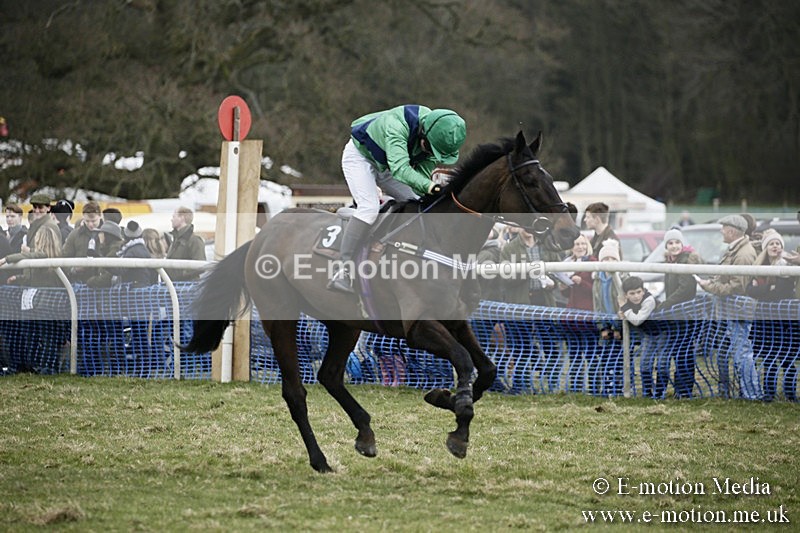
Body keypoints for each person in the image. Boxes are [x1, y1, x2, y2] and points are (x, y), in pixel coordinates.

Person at [328, 104, 467, 293]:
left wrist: (432, 194)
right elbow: (401, 169)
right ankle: (342, 271)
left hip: (388, 166)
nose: (430, 155)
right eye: (430, 150)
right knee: (369, 208)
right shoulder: (398, 124)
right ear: (423, 134)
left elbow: (422, 182)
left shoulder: (433, 136)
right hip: (361, 158)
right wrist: (431, 187)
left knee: (419, 204)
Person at [696, 214, 761, 400]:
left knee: (742, 354)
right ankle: (745, 392)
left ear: (732, 231)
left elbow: (737, 287)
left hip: (737, 311)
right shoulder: (737, 250)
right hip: (732, 310)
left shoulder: (743, 254)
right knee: (736, 352)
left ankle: (752, 394)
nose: (721, 231)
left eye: (723, 228)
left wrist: (709, 286)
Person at [746, 230, 796, 402]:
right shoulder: (759, 267)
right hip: (764, 320)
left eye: (778, 243)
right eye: (772, 244)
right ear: (765, 247)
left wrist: (763, 290)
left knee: (788, 358)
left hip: (785, 319)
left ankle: (790, 393)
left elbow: (781, 291)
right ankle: (769, 393)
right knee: (768, 358)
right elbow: (750, 290)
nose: (775, 246)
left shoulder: (788, 266)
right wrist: (769, 288)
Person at [658, 228, 703, 398]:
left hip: (685, 314)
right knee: (679, 352)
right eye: (670, 243)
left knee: (683, 353)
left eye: (677, 242)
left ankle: (684, 390)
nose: (674, 246)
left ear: (682, 244)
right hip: (675, 314)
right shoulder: (671, 261)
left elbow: (685, 289)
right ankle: (680, 389)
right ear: (666, 246)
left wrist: (666, 304)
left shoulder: (686, 261)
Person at [62, 201, 103, 283]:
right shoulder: (74, 235)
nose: (90, 224)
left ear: (100, 216)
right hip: (80, 282)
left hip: (103, 284)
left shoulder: (109, 234)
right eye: (87, 221)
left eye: (93, 221)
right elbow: (64, 257)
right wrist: (74, 270)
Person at [165, 206, 206, 281]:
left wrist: (181, 275)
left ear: (182, 218)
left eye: (174, 216)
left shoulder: (195, 240)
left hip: (187, 287)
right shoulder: (176, 239)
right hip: (174, 286)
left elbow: (200, 265)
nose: (171, 219)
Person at [111, 221, 157, 286]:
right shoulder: (142, 248)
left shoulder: (132, 251)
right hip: (142, 287)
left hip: (135, 290)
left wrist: (104, 263)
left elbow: (120, 270)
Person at [559, 234, 595, 311]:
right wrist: (563, 288)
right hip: (572, 310)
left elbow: (597, 290)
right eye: (577, 244)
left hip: (588, 310)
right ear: (572, 247)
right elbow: (568, 294)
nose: (580, 247)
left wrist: (581, 282)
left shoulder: (593, 262)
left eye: (583, 244)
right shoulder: (567, 263)